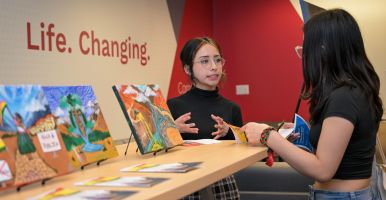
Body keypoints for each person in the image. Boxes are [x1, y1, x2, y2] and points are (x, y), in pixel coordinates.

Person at [241, 9, 383, 199]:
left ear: (323, 49)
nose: (304, 57)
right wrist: (307, 137)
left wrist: (268, 135)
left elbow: (323, 169)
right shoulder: (354, 90)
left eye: (305, 49)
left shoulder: (344, 97)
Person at [167, 37, 242, 199]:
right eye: (204, 61)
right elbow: (155, 154)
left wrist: (229, 131)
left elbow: (243, 152)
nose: (214, 67)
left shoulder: (232, 108)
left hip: (223, 184)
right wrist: (170, 130)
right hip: (182, 184)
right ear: (188, 69)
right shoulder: (173, 106)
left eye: (217, 60)